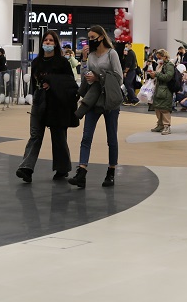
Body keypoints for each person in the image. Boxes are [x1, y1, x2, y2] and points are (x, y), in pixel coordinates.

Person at [16, 30, 76, 183]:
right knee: (35, 135)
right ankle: (26, 168)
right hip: (39, 100)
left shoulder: (62, 62)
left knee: (58, 136)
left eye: (51, 40)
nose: (48, 43)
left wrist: (52, 82)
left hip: (57, 102)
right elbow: (34, 83)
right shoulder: (36, 62)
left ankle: (62, 168)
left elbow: (70, 82)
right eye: (46, 40)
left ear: (55, 44)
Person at [68, 25, 123, 189]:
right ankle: (81, 171)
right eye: (89, 37)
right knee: (86, 136)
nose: (90, 40)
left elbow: (119, 78)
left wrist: (99, 77)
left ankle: (111, 171)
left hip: (109, 100)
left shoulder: (112, 54)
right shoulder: (91, 55)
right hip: (93, 99)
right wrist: (84, 60)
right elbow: (86, 76)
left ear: (101, 37)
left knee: (111, 138)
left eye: (93, 37)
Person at [147, 49, 175, 134]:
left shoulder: (169, 65)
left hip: (166, 90)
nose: (158, 59)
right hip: (159, 89)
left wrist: (156, 74)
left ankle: (167, 126)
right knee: (158, 108)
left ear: (165, 57)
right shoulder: (160, 65)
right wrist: (154, 75)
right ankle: (160, 125)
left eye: (159, 58)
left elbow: (168, 77)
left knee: (164, 109)